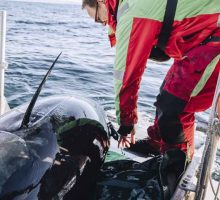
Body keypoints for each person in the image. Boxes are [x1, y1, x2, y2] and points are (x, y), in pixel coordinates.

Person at [82, 0, 220, 159]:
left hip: (213, 38)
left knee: (173, 105)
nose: (103, 24)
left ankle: (179, 162)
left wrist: (126, 123)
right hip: (198, 40)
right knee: (166, 92)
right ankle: (158, 142)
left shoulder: (131, 14)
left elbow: (127, 75)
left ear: (101, 2)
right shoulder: (131, 5)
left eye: (99, 18)